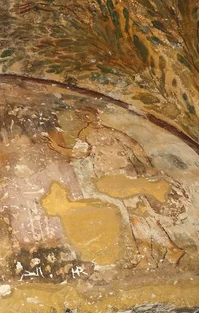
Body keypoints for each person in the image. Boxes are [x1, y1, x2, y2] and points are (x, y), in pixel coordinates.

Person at [46, 106, 185, 269]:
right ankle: (159, 252)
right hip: (120, 175)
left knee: (138, 215)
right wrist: (143, 165)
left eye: (88, 114)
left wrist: (58, 148)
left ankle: (155, 254)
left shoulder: (93, 133)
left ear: (96, 114)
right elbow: (133, 146)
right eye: (83, 115)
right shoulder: (100, 132)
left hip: (120, 176)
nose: (87, 118)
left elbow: (132, 146)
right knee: (140, 215)